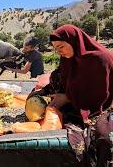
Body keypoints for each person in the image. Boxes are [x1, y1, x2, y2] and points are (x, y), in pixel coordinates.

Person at [34, 24, 113, 166]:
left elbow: (100, 94)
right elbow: (61, 80)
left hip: (99, 107)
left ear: (73, 41)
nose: (58, 52)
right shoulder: (68, 59)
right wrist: (42, 94)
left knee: (105, 139)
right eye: (55, 48)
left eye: (61, 47)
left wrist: (67, 98)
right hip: (74, 103)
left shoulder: (100, 59)